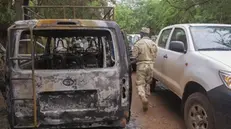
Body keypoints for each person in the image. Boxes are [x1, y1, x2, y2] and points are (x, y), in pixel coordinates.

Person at [132, 27, 158, 112]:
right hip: (150, 65)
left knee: (140, 84)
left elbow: (134, 56)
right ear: (148, 34)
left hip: (141, 65)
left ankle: (143, 98)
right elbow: (155, 55)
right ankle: (146, 97)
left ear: (141, 34)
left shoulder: (138, 43)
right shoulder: (153, 44)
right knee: (148, 83)